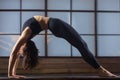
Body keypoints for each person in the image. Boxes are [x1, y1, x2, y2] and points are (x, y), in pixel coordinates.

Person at [8, 15, 118, 79]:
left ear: (24, 47)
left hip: (55, 24)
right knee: (82, 46)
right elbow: (16, 55)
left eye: (22, 52)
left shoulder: (25, 35)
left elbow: (13, 54)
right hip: (55, 25)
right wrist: (13, 74)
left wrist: (10, 75)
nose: (20, 53)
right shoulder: (26, 38)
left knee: (82, 45)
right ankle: (100, 70)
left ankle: (100, 70)